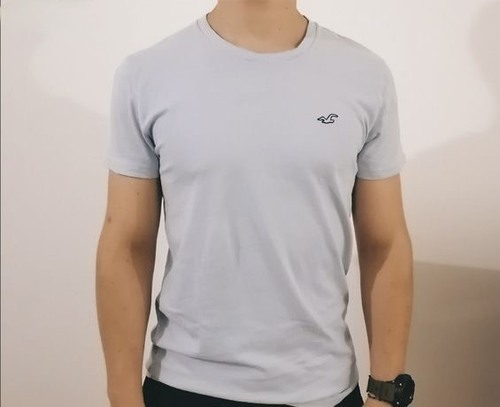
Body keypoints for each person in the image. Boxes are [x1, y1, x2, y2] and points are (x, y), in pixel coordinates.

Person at [95, 1, 415, 407]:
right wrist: (123, 395)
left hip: (323, 390)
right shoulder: (146, 75)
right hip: (184, 384)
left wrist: (385, 394)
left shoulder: (365, 75)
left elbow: (385, 243)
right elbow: (126, 243)